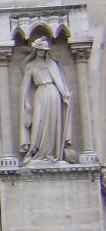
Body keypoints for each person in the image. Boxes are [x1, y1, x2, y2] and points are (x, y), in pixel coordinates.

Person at [20, 36, 72, 164]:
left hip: (53, 93)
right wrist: (26, 102)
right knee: (38, 122)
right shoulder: (30, 66)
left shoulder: (52, 64)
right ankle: (34, 151)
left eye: (44, 50)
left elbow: (60, 82)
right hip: (40, 93)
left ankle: (51, 153)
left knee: (53, 122)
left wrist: (65, 97)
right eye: (40, 50)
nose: (42, 52)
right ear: (35, 50)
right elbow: (25, 87)